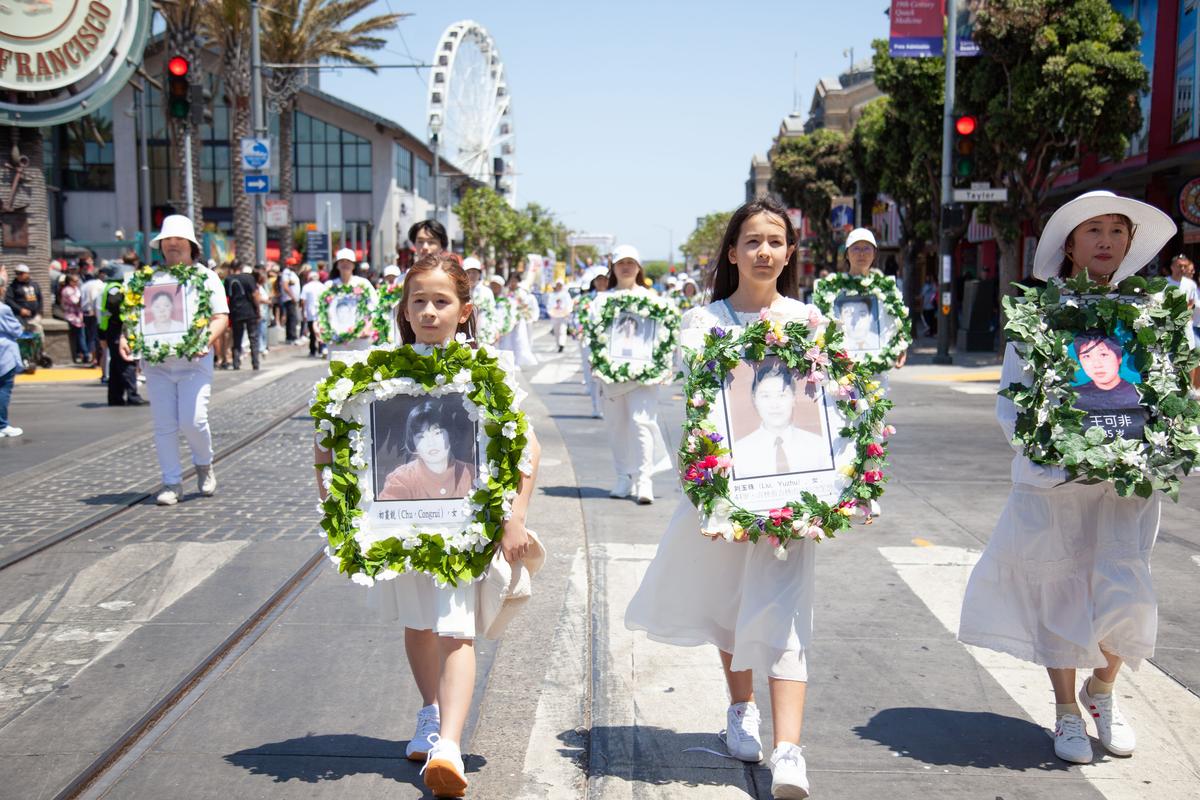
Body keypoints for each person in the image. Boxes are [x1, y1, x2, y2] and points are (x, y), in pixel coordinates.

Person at [958, 190, 1177, 766]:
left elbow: (1168, 392)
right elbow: (1014, 401)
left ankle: (1101, 690)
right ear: (1071, 245)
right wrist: (1053, 453)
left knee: (1126, 592)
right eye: (1093, 231)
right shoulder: (1040, 314)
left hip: (1127, 485)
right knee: (1063, 588)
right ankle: (1065, 710)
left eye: (1117, 231)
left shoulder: (1150, 314)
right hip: (1057, 485)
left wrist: (1164, 444)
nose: (1106, 241)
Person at [315, 252, 541, 798]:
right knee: (418, 624)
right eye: (419, 301)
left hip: (465, 530)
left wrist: (514, 517)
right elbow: (327, 444)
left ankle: (450, 746)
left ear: (464, 309)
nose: (429, 311)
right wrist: (339, 507)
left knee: (456, 629)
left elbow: (527, 448)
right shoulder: (376, 374)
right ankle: (430, 712)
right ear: (404, 309)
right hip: (403, 531)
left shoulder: (486, 368)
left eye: (442, 301)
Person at [625, 198, 820, 799]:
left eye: (775, 241)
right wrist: (711, 486)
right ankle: (742, 710)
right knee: (733, 606)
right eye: (752, 241)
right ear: (732, 252)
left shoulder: (810, 321)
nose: (764, 251)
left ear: (790, 253)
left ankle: (790, 751)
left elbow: (828, 406)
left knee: (787, 613)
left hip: (793, 496)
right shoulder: (702, 323)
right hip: (728, 491)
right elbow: (701, 409)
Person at [133, 215, 230, 506]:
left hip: (194, 365)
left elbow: (220, 317)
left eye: (178, 239)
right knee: (164, 425)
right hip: (158, 365)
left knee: (193, 420)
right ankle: (171, 482)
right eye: (167, 239)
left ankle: (204, 463)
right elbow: (134, 317)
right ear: (160, 244)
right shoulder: (148, 279)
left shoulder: (206, 277)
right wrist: (129, 337)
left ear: (191, 245)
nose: (172, 244)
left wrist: (204, 340)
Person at [596, 245, 664, 505]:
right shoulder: (602, 300)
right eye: (621, 262)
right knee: (617, 426)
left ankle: (644, 479)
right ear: (613, 268)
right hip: (612, 376)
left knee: (641, 423)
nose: (626, 267)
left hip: (643, 375)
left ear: (638, 267)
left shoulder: (652, 299)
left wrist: (661, 364)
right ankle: (623, 476)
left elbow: (663, 333)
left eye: (630, 262)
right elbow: (595, 334)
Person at [733, 360, 831, 478]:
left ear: (794, 398)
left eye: (782, 395)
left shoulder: (818, 446)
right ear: (755, 400)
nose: (774, 405)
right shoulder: (739, 453)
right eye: (765, 396)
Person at [377, 400, 476, 500]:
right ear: (413, 442)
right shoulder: (400, 479)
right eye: (421, 437)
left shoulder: (471, 473)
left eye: (437, 433)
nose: (431, 443)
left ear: (450, 434)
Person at [99, 265, 145, 406]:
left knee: (116, 365)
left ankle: (115, 397)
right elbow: (114, 305)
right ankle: (132, 396)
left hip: (111, 328)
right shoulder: (116, 288)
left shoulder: (112, 286)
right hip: (117, 328)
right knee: (126, 362)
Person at [320, 248, 377, 351]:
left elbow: (375, 307)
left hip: (359, 339)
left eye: (348, 261)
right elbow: (321, 310)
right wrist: (321, 328)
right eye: (342, 261)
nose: (345, 264)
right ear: (337, 265)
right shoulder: (329, 286)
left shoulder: (363, 284)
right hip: (336, 340)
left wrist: (368, 327)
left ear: (353, 265)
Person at [0, 266, 23, 437]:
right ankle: (2, 425)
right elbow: (16, 330)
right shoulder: (4, 309)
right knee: (4, 390)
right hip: (4, 354)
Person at [225, 264, 261, 370]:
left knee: (237, 338)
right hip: (249, 311)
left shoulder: (228, 279)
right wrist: (258, 309)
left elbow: (227, 296)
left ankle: (236, 362)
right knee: (253, 337)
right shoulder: (249, 278)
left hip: (235, 311)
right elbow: (255, 294)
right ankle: (255, 362)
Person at [5, 264, 44, 336]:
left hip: (34, 317)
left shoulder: (34, 285)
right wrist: (20, 310)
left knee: (37, 336)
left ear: (27, 273)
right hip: (20, 318)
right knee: (22, 337)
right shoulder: (13, 286)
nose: (18, 275)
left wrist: (39, 313)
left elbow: (40, 299)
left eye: (21, 273)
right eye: (17, 273)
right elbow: (8, 300)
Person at [60, 272, 86, 363]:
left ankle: (82, 354)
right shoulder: (67, 290)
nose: (77, 283)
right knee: (80, 336)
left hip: (79, 316)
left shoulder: (76, 289)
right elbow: (76, 302)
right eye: (75, 281)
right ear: (69, 281)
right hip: (72, 317)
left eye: (77, 281)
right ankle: (85, 354)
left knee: (81, 336)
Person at [81, 267, 104, 367]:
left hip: (85, 313)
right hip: (94, 313)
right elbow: (94, 298)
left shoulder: (84, 285)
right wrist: (95, 311)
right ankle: (95, 359)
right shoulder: (99, 284)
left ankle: (94, 358)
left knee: (90, 336)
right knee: (95, 337)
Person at [300, 268, 324, 357]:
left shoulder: (306, 287)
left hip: (310, 312)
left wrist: (303, 312)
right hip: (320, 312)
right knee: (320, 331)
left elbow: (303, 301)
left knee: (312, 332)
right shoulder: (322, 286)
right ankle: (321, 349)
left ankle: (312, 350)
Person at [546, 279, 573, 352]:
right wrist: (550, 312)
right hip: (555, 315)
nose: (559, 286)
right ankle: (558, 344)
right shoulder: (552, 295)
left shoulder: (566, 294)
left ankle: (562, 344)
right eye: (558, 285)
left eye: (560, 285)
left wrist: (568, 311)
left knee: (562, 330)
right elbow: (549, 305)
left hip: (563, 315)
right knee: (556, 331)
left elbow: (569, 304)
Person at [280, 263, 301, 343]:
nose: (295, 266)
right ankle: (292, 337)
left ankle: (290, 336)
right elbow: (285, 286)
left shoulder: (291, 273)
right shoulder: (286, 273)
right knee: (292, 318)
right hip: (289, 299)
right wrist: (292, 297)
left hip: (291, 299)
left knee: (291, 318)